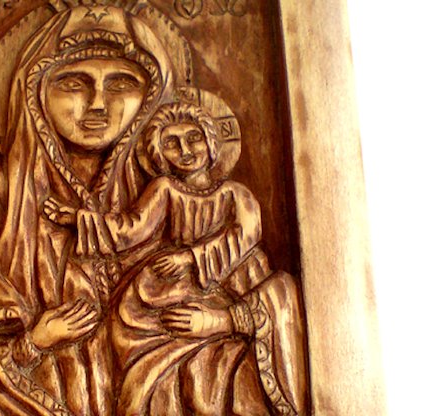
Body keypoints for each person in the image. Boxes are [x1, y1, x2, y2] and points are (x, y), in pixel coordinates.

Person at [0, 5, 182, 415]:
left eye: (121, 83)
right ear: (35, 92)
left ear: (150, 101)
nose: (98, 104)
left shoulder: (169, 214)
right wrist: (31, 345)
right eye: (73, 83)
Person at [45, 102, 309, 415]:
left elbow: (245, 235)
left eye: (194, 138)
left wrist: (191, 259)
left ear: (211, 142)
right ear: (158, 154)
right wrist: (80, 220)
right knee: (151, 364)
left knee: (218, 365)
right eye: (172, 143)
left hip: (232, 279)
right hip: (171, 288)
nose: (185, 150)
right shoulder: (164, 189)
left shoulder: (236, 194)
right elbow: (132, 228)